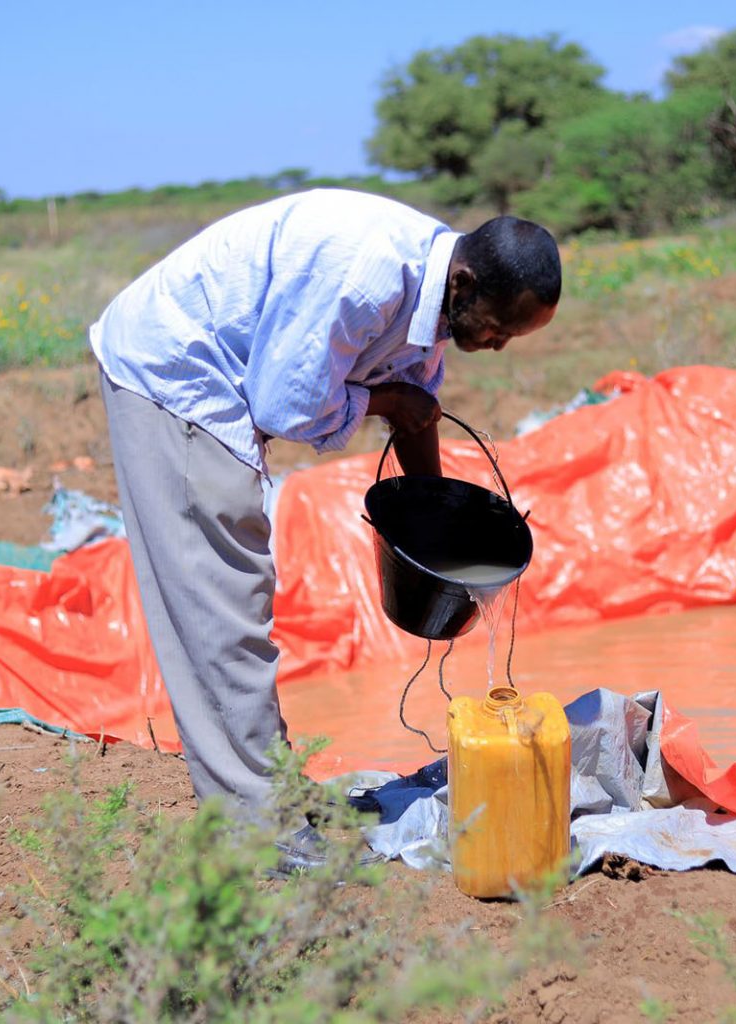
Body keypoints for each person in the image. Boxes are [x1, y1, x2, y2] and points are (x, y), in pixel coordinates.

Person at [89, 188, 560, 871]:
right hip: (176, 375)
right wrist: (387, 399)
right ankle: (257, 829)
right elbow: (286, 404)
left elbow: (416, 406)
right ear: (464, 284)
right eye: (497, 328)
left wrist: (433, 528)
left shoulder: (436, 287)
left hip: (222, 383)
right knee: (221, 605)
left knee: (238, 598)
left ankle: (273, 792)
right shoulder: (367, 278)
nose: (497, 345)